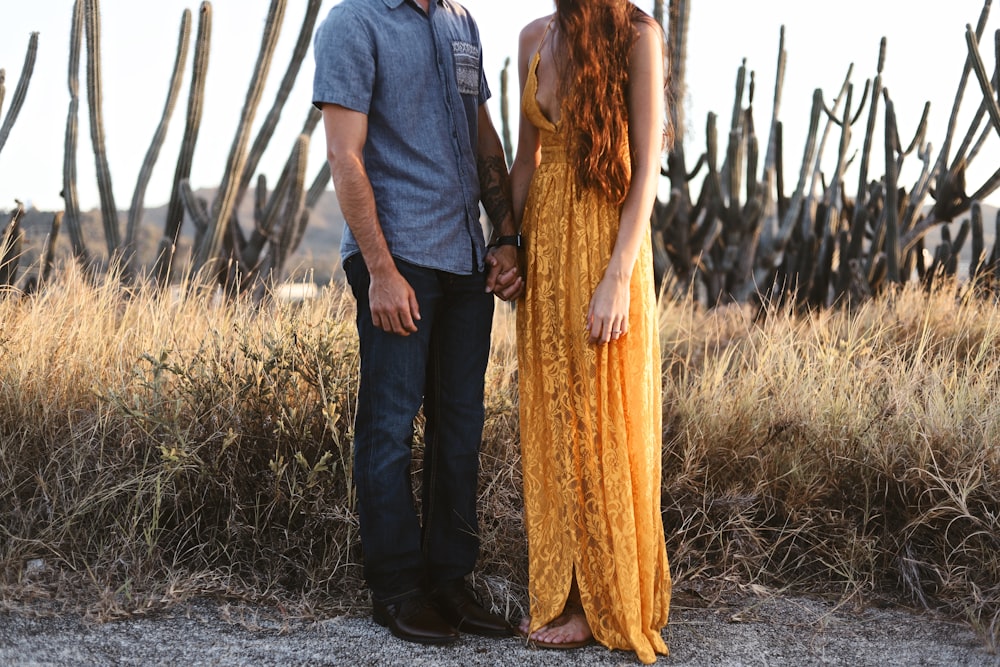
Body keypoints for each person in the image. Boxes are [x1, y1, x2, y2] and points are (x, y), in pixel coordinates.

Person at [312, 0, 523, 646]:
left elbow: (482, 133)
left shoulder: (462, 22)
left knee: (460, 428)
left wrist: (507, 235)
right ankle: (397, 588)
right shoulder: (352, 24)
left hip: (465, 261)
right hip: (398, 256)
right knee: (390, 426)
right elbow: (344, 156)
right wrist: (379, 270)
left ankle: (449, 582)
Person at [508, 0, 672, 663]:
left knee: (606, 417)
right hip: (545, 248)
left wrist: (616, 277)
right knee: (555, 415)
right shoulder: (532, 38)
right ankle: (567, 588)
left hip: (608, 244)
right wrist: (505, 244)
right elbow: (527, 161)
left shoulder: (638, 35)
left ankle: (602, 596)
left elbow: (647, 171)